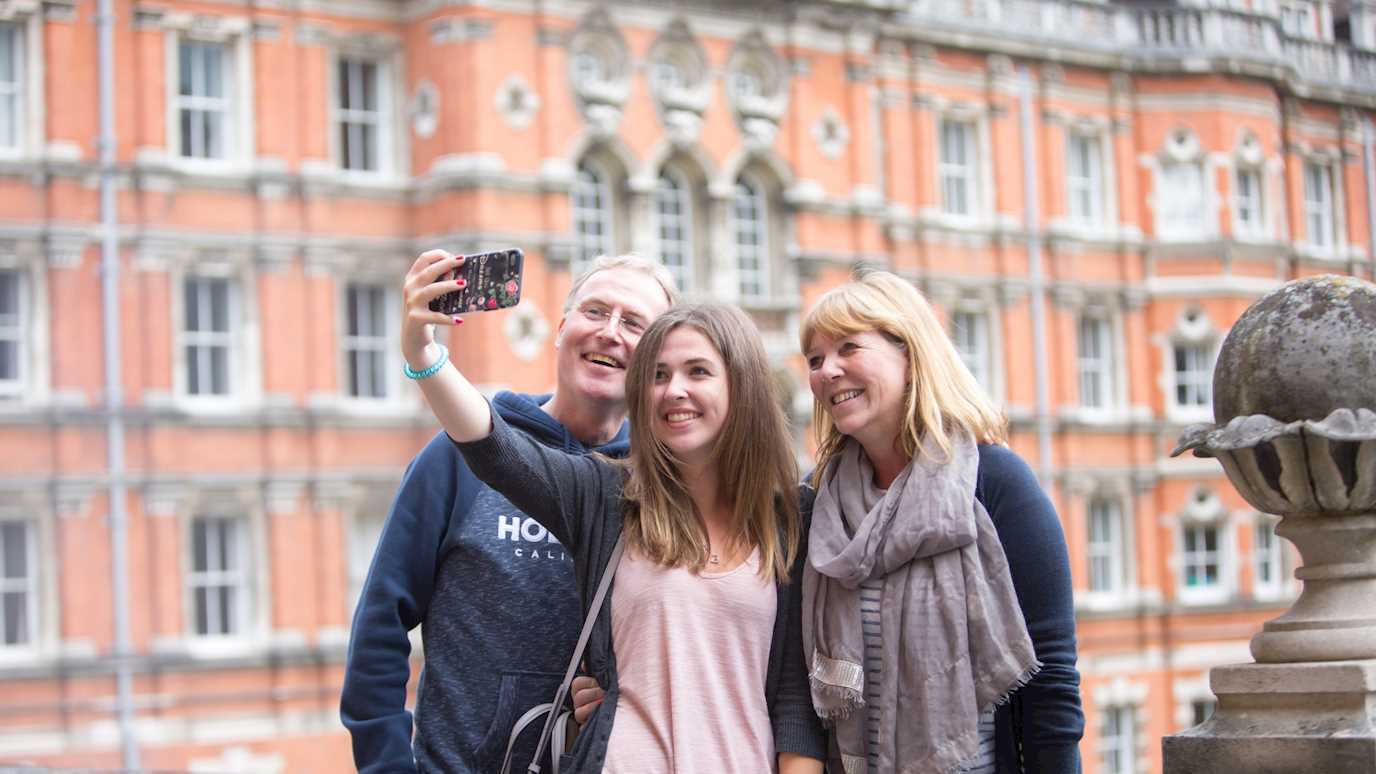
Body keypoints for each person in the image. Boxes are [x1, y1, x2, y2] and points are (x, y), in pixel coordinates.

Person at [398, 247, 826, 773]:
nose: (676, 391)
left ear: (740, 386)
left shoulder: (788, 516)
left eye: (698, 371)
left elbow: (793, 700)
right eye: (660, 375)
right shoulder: (607, 496)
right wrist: (423, 354)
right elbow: (494, 447)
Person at [340, 252, 676, 773]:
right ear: (559, 331)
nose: (611, 332)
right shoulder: (459, 451)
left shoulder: (664, 484)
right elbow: (381, 624)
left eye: (634, 323)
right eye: (594, 312)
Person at [800, 270, 1083, 773]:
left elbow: (1050, 677)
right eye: (816, 359)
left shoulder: (994, 482)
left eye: (848, 348)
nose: (827, 371)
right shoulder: (817, 502)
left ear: (909, 355)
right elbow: (795, 688)